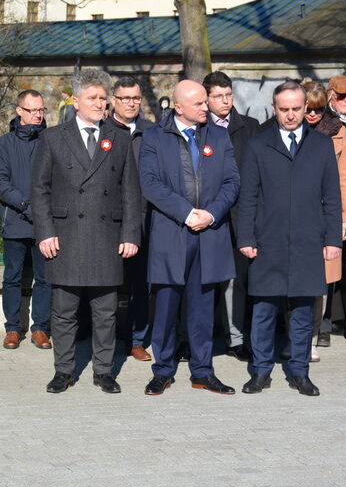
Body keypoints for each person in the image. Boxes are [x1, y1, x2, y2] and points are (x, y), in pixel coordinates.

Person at [31, 69, 141, 394]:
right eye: (92, 98)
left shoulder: (119, 138)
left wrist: (131, 235)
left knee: (105, 312)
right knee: (63, 312)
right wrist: (45, 232)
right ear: (76, 101)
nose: (99, 103)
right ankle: (63, 371)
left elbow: (130, 192)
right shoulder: (52, 137)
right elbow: (40, 190)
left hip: (107, 236)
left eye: (103, 98)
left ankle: (104, 371)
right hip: (65, 236)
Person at [237, 82, 342, 396]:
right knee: (264, 310)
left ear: (305, 107)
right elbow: (248, 197)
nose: (292, 115)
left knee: (302, 312)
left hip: (308, 241)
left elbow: (332, 197)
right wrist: (246, 236)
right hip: (268, 241)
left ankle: (300, 372)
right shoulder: (258, 145)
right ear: (274, 108)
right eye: (285, 109)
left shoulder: (321, 145)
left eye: (297, 109)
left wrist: (333, 239)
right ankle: (261, 371)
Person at [138, 79, 240, 396]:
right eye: (198, 103)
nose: (205, 107)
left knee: (202, 309)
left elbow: (232, 182)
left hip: (208, 234)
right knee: (166, 307)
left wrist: (210, 214)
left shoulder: (219, 136)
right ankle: (163, 370)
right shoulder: (154, 137)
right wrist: (186, 212)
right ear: (179, 107)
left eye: (205, 101)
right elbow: (150, 183)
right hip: (172, 233)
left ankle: (202, 371)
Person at [202, 71, 261, 362]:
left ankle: (236, 339)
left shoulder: (250, 127)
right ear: (207, 98)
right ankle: (193, 337)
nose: (225, 101)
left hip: (240, 215)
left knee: (235, 280)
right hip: (205, 215)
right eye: (218, 96)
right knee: (201, 278)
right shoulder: (198, 127)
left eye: (228, 95)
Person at [0, 89, 52, 350]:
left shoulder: (51, 140)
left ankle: (40, 328)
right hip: (15, 219)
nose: (38, 115)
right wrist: (24, 203)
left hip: (45, 222)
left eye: (41, 110)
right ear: (19, 111)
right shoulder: (5, 143)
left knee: (45, 277)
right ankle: (13, 328)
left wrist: (42, 208)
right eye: (32, 110)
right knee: (12, 276)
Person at [303, 81, 346, 360]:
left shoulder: (337, 132)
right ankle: (296, 337)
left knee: (321, 283)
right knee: (295, 280)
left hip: (327, 216)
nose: (312, 115)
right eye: (307, 109)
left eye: (318, 109)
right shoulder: (286, 131)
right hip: (295, 217)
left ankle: (311, 340)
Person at [109, 76, 155, 362]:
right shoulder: (103, 131)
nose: (130, 103)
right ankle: (105, 338)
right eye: (125, 98)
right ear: (114, 100)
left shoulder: (153, 132)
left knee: (141, 285)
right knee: (108, 284)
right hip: (108, 221)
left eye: (135, 98)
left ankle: (136, 340)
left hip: (144, 220)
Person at [325, 75, 346, 345]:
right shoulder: (322, 123)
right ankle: (323, 324)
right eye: (341, 96)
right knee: (328, 264)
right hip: (328, 204)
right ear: (330, 96)